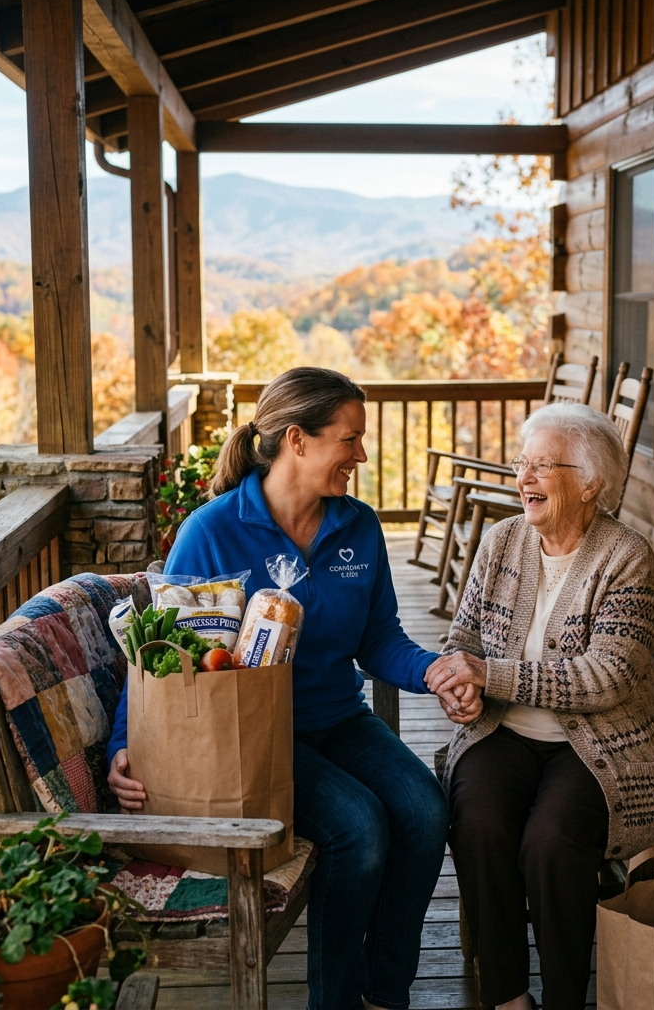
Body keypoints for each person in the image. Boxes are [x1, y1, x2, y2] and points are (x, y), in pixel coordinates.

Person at [107, 367, 467, 1010]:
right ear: (297, 440)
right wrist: (123, 746)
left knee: (424, 809)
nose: (361, 454)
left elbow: (379, 639)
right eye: (349, 440)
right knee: (359, 828)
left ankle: (385, 994)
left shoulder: (357, 526)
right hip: (252, 737)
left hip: (340, 717)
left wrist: (434, 671)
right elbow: (161, 653)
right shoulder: (213, 531)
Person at [426, 401, 654, 1010]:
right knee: (479, 822)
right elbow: (462, 637)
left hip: (599, 746)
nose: (523, 478)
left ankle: (565, 997)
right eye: (522, 464)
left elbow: (608, 676)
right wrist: (460, 686)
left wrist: (492, 673)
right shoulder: (500, 541)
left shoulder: (626, 557)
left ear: (591, 483)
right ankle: (508, 995)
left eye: (544, 466)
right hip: (501, 732)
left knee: (551, 841)